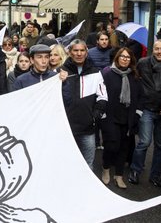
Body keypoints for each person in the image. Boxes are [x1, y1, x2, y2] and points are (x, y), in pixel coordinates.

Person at [128, 40, 161, 186]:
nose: (159, 51)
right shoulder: (143, 63)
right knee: (144, 142)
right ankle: (135, 170)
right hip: (146, 109)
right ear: (153, 50)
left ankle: (155, 175)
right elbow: (134, 80)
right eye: (156, 49)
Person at [61, 39, 108, 169]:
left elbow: (103, 96)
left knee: (88, 165)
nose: (79, 53)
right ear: (70, 52)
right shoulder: (61, 72)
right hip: (67, 128)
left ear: (86, 53)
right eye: (75, 50)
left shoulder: (95, 71)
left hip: (88, 129)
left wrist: (96, 114)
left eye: (82, 50)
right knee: (67, 164)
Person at [101, 48, 142, 189]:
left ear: (131, 60)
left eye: (128, 57)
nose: (125, 59)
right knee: (112, 146)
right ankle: (106, 169)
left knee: (124, 148)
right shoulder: (107, 73)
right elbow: (100, 93)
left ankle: (119, 176)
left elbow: (140, 96)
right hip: (110, 117)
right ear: (117, 58)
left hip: (128, 118)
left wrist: (137, 114)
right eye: (122, 56)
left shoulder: (135, 76)